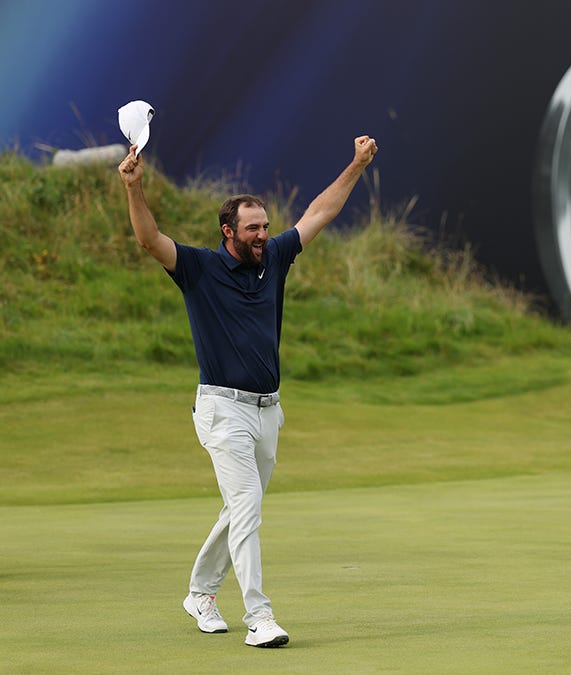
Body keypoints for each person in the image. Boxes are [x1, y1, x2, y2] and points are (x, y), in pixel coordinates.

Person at [118, 135, 378, 648]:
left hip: (267, 412)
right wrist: (133, 187)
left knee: (243, 506)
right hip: (221, 409)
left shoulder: (274, 258)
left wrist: (356, 164)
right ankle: (259, 616)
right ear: (228, 231)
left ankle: (200, 593)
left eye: (265, 226)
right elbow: (150, 239)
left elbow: (320, 212)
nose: (263, 234)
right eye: (253, 228)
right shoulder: (199, 268)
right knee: (247, 507)